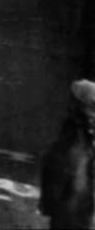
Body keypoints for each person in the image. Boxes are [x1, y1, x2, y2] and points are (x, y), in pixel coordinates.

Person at [41, 79, 95, 228]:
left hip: (78, 207)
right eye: (92, 107)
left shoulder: (78, 133)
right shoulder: (74, 135)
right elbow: (57, 170)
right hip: (71, 210)